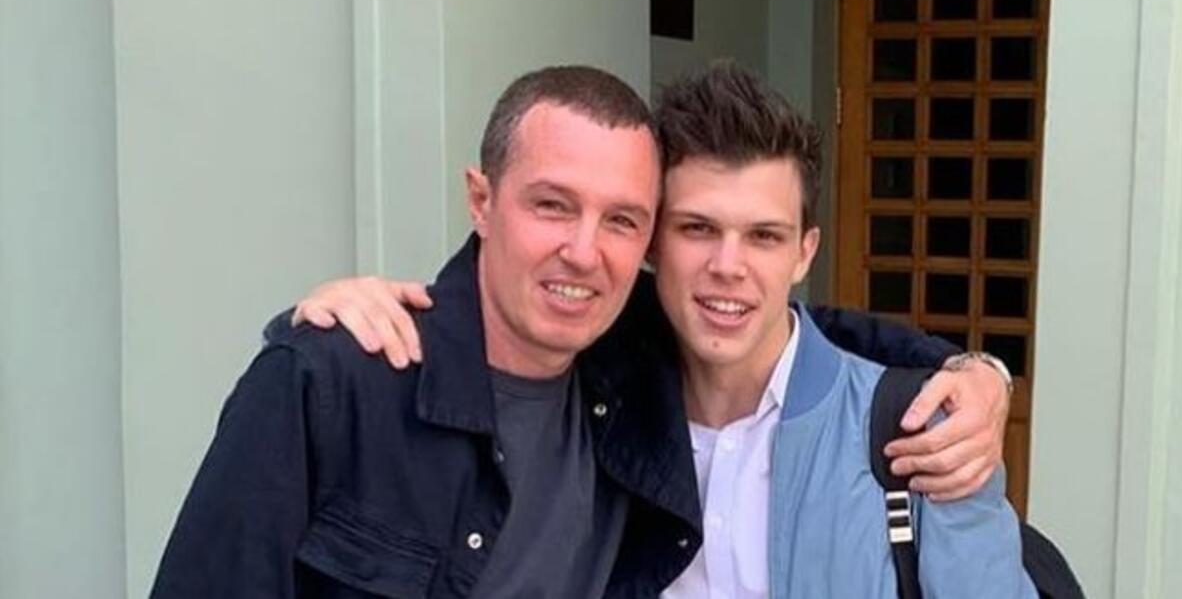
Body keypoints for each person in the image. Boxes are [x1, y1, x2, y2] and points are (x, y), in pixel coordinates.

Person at [154, 65, 1008, 598]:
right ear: (481, 200)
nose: (584, 251)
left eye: (620, 219)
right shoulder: (336, 379)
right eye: (552, 205)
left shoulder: (630, 372)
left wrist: (978, 372)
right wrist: (310, 334)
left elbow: (794, 328)